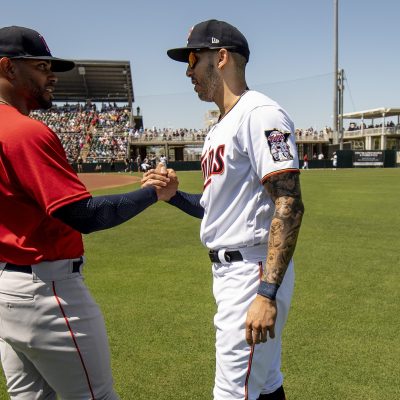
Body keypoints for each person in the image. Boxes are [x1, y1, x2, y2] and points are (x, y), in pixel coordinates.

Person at [0, 26, 177, 400]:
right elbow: (86, 215)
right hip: (46, 292)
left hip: (6, 290)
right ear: (7, 68)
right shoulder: (24, 132)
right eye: (41, 66)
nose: (51, 76)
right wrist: (152, 193)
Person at [143, 19, 304, 400]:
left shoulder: (259, 113)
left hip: (252, 272)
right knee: (265, 384)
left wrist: (265, 293)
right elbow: (219, 211)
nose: (188, 71)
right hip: (235, 271)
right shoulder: (220, 126)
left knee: (233, 393)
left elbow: (289, 203)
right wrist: (174, 197)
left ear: (222, 58)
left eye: (193, 59)